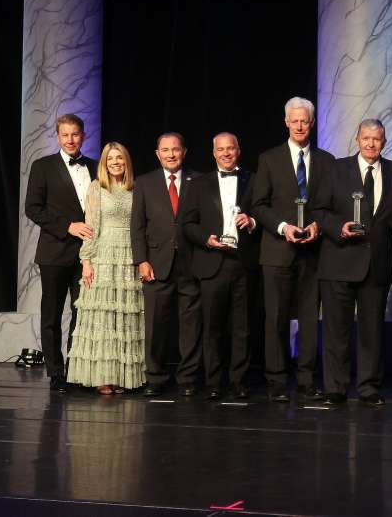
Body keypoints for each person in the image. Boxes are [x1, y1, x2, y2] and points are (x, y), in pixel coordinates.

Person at [313, 119, 392, 407]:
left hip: (376, 265)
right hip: (338, 260)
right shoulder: (336, 168)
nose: (370, 144)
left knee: (372, 331)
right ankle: (336, 388)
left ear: (384, 141)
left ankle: (368, 387)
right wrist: (339, 227)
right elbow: (318, 209)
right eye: (365, 138)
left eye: (376, 139)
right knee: (336, 330)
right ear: (357, 139)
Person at [251, 96, 336, 403]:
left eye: (305, 121)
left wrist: (316, 225)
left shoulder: (327, 161)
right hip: (277, 251)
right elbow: (258, 205)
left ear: (312, 124)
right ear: (286, 122)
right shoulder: (269, 159)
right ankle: (275, 379)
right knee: (275, 317)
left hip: (314, 253)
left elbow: (330, 204)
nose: (300, 125)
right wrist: (283, 227)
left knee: (310, 319)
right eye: (294, 120)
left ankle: (305, 378)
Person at [180, 133, 259, 400]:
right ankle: (213, 381)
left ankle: (238, 381)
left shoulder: (254, 179)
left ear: (238, 150)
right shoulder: (199, 184)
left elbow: (264, 213)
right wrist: (206, 239)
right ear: (213, 153)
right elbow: (187, 224)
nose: (226, 153)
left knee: (242, 327)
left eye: (230, 148)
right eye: (220, 149)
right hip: (211, 262)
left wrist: (253, 221)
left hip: (243, 262)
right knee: (211, 326)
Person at [24, 113, 97, 394]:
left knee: (83, 314)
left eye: (75, 134)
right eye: (65, 134)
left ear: (83, 136)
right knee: (52, 315)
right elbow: (33, 208)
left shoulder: (94, 166)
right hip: (54, 251)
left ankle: (75, 370)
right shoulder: (43, 166)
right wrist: (68, 226)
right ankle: (56, 373)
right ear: (57, 136)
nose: (70, 139)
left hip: (88, 254)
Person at [67, 142, 145, 394]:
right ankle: (102, 376)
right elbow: (90, 226)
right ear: (104, 162)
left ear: (126, 161)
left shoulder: (136, 187)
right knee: (102, 317)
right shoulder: (96, 187)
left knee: (124, 317)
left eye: (119, 158)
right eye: (110, 158)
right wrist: (87, 261)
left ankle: (122, 376)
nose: (115, 162)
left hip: (128, 256)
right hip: (103, 253)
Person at [131, 132, 203, 397]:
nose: (171, 154)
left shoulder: (199, 181)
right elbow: (137, 226)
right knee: (156, 326)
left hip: (192, 264)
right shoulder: (144, 183)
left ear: (184, 151)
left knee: (191, 326)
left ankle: (187, 379)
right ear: (157, 154)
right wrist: (141, 260)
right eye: (165, 150)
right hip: (156, 265)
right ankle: (155, 377)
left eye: (176, 149)